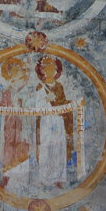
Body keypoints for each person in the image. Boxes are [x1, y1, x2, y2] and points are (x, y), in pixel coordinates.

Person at [34, 54, 73, 186]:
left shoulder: (59, 86)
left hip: (57, 120)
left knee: (58, 147)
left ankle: (58, 178)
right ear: (43, 70)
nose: (50, 70)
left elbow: (63, 103)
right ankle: (44, 178)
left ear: (56, 70)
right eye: (47, 68)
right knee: (45, 147)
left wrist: (65, 102)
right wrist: (46, 100)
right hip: (46, 121)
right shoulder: (40, 87)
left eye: (52, 68)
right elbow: (37, 107)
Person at [0, 57, 31, 189]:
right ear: (9, 74)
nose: (15, 73)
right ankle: (7, 175)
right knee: (8, 147)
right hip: (9, 123)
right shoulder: (6, 91)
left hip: (21, 123)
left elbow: (27, 100)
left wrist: (28, 67)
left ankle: (22, 177)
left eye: (17, 71)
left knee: (21, 145)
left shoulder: (22, 89)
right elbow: (3, 104)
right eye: (13, 71)